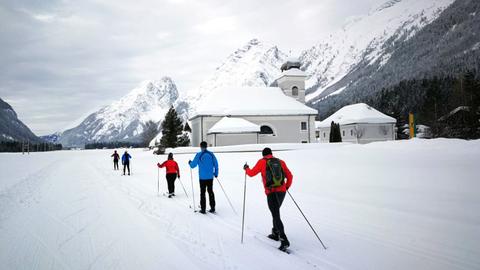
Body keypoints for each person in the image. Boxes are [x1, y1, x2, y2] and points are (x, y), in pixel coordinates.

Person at [243, 147, 293, 252]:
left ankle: (284, 240)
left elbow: (251, 173)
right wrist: (286, 187)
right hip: (282, 192)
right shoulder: (280, 162)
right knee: (275, 211)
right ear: (271, 153)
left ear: (263, 155)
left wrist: (246, 168)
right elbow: (290, 176)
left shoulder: (262, 162)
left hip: (271, 192)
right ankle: (275, 232)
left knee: (275, 214)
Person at [189, 141, 218, 214]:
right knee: (210, 191)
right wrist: (216, 173)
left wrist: (190, 163)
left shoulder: (199, 154)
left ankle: (203, 209)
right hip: (210, 177)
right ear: (206, 146)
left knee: (202, 193)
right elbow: (216, 164)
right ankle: (212, 207)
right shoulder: (211, 154)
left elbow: (193, 165)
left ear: (201, 146)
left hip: (202, 178)